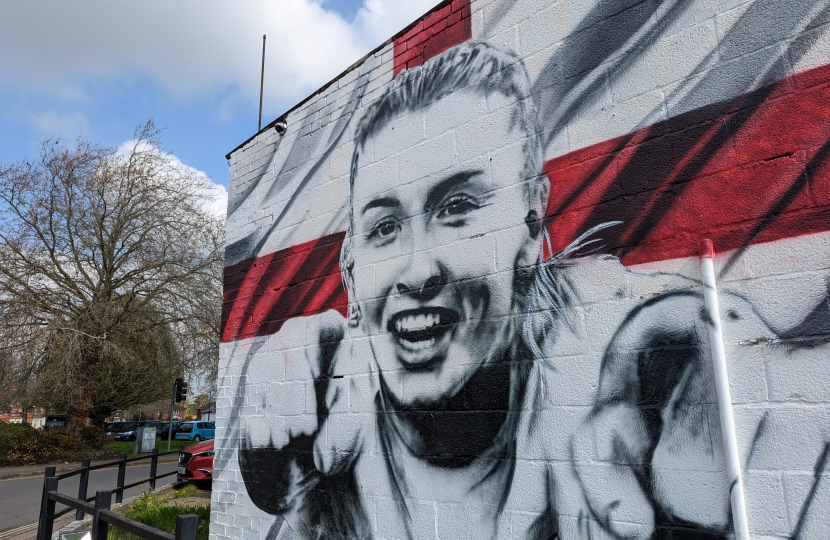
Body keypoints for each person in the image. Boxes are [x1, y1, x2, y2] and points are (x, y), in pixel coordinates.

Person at [234, 41, 830, 540]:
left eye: (458, 207)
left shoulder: (599, 347)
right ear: (350, 266)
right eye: (385, 227)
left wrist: (731, 388)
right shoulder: (336, 414)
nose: (417, 273)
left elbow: (671, 344)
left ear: (530, 219)